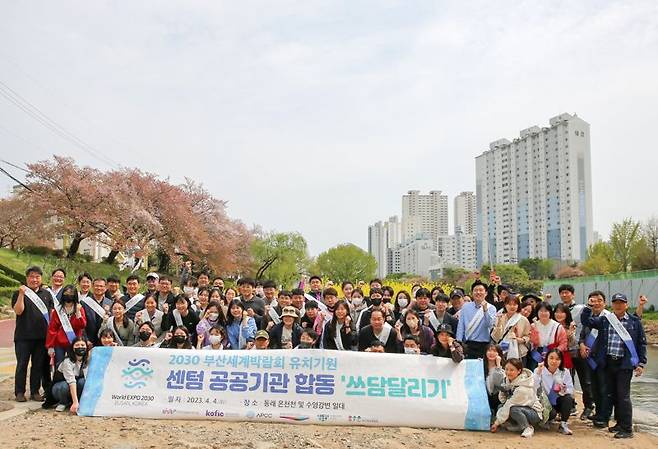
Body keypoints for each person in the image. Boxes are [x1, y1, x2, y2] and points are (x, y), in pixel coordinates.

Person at [580, 292, 647, 439]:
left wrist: (641, 363)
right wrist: (588, 306)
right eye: (615, 303)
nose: (618, 305)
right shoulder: (605, 320)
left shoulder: (634, 322)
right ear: (612, 305)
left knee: (623, 396)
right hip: (608, 363)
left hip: (624, 364)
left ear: (626, 305)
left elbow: (641, 343)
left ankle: (627, 428)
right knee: (612, 394)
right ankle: (619, 423)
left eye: (621, 303)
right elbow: (587, 321)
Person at [12, 266, 54, 402]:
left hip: (42, 337)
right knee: (22, 365)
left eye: (37, 277)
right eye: (31, 276)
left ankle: (35, 391)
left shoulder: (47, 294)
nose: (34, 279)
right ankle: (19, 392)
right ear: (27, 278)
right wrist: (22, 294)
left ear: (41, 278)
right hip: (23, 337)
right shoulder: (19, 293)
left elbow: (52, 314)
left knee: (38, 365)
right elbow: (18, 311)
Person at [558, 283, 594, 420]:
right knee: (567, 379)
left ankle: (589, 406)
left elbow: (587, 323)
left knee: (585, 379)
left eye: (567, 292)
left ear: (573, 294)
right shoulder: (560, 309)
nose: (564, 295)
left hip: (579, 348)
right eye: (562, 292)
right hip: (565, 350)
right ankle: (571, 404)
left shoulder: (581, 308)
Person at [490, 358, 544, 438]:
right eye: (506, 369)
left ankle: (527, 427)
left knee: (513, 409)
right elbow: (503, 400)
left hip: (534, 413)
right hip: (521, 407)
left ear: (519, 371)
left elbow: (509, 404)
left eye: (512, 370)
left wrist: (496, 423)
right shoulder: (508, 381)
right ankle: (518, 425)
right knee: (501, 406)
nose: (508, 372)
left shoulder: (523, 387)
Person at [534, 349, 575, 435]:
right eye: (551, 358)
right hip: (544, 402)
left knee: (568, 398)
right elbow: (533, 387)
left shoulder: (564, 372)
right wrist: (538, 373)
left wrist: (562, 390)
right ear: (546, 359)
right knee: (551, 414)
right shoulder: (540, 370)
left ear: (561, 361)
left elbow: (571, 390)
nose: (554, 361)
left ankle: (563, 424)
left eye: (557, 359)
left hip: (558, 400)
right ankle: (547, 420)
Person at [46, 285, 87, 367]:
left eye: (71, 293)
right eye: (66, 293)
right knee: (59, 365)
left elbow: (82, 325)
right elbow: (52, 329)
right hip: (59, 343)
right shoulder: (58, 310)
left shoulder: (79, 308)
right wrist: (50, 346)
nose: (68, 295)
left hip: (75, 342)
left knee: (75, 365)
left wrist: (78, 312)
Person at [456, 280, 496, 359]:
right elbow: (461, 325)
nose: (478, 292)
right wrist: (459, 341)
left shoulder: (491, 308)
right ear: (472, 293)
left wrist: (485, 310)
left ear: (486, 293)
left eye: (481, 290)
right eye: (475, 290)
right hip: (468, 344)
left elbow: (490, 325)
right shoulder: (465, 307)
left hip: (484, 344)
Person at [51, 337, 89, 413]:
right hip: (60, 387)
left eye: (82, 345)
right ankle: (63, 402)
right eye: (77, 345)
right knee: (64, 386)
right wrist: (75, 402)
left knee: (83, 382)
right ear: (72, 348)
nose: (80, 347)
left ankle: (78, 401)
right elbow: (71, 381)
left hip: (75, 386)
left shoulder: (87, 360)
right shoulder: (67, 362)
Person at [529, 302, 570, 371]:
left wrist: (555, 352)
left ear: (550, 312)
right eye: (541, 311)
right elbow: (531, 341)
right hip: (537, 354)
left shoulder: (557, 326)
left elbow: (563, 343)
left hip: (553, 353)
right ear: (537, 312)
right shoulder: (533, 325)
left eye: (546, 311)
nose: (543, 313)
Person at [491, 295, 530, 362]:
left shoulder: (523, 319)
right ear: (505, 305)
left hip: (519, 352)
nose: (512, 306)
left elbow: (528, 336)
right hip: (502, 352)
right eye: (509, 304)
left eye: (515, 304)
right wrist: (498, 324)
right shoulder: (500, 318)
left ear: (518, 306)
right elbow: (495, 338)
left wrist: (519, 340)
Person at [80, 277, 112, 346]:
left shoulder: (110, 303)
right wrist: (85, 339)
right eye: (96, 286)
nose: (99, 288)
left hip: (105, 340)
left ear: (106, 288)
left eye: (101, 286)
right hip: (89, 340)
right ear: (92, 287)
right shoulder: (84, 303)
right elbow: (81, 323)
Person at [484, 344, 506, 416]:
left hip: (496, 397)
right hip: (484, 395)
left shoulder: (503, 368)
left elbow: (500, 384)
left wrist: (498, 365)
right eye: (489, 350)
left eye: (494, 351)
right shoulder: (481, 365)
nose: (491, 353)